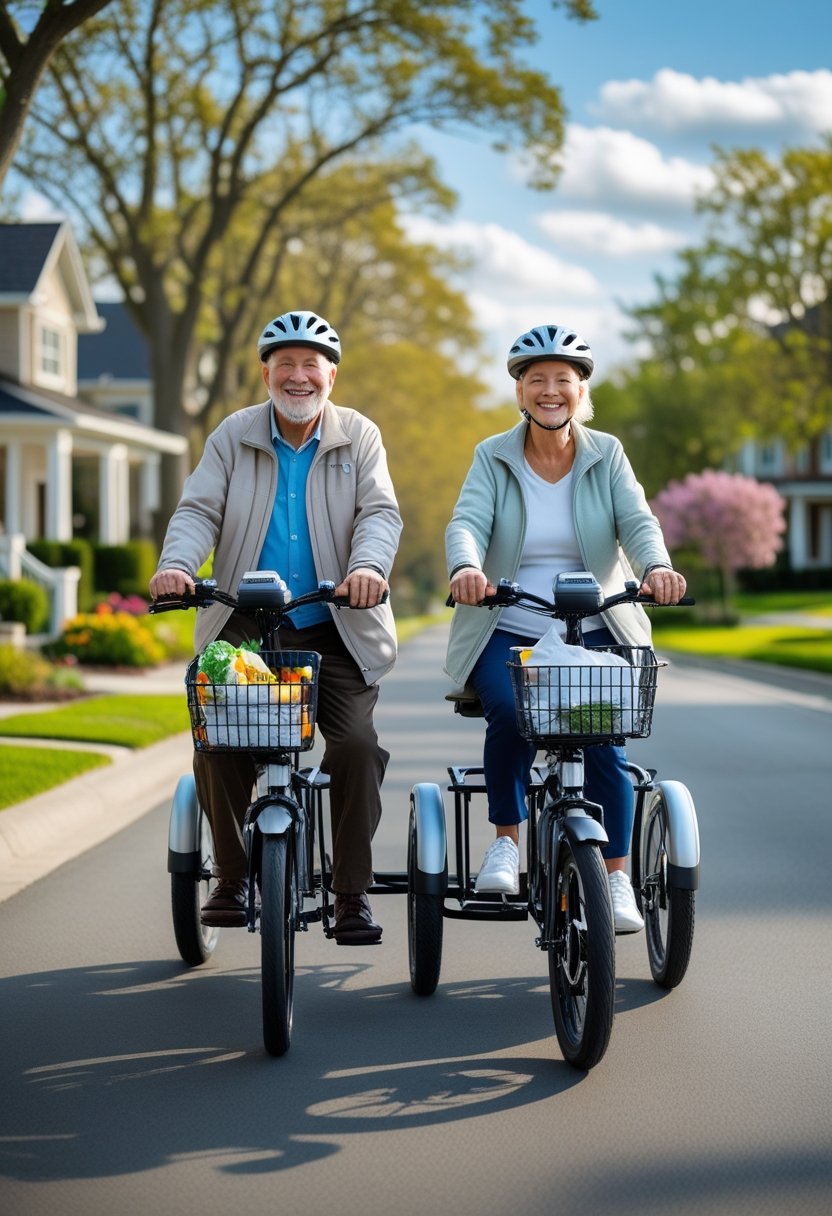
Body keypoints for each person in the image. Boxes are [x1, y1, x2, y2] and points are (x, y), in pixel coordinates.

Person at [150, 309, 402, 945]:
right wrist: (178, 564)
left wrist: (368, 567)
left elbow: (379, 512)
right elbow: (199, 509)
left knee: (354, 749)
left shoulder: (359, 436)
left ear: (331, 376)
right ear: (265, 373)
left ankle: (350, 894)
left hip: (334, 625)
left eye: (309, 365)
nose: (297, 376)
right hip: (246, 625)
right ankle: (232, 877)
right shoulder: (234, 435)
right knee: (218, 737)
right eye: (284, 364)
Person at [445, 323, 686, 933]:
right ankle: (506, 840)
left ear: (581, 391)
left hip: (596, 619)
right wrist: (467, 566)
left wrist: (656, 565)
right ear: (520, 391)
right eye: (537, 380)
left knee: (603, 735)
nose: (550, 390)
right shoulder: (492, 455)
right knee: (510, 710)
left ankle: (617, 877)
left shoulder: (607, 454)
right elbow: (467, 520)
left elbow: (637, 520)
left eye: (563, 380)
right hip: (510, 618)